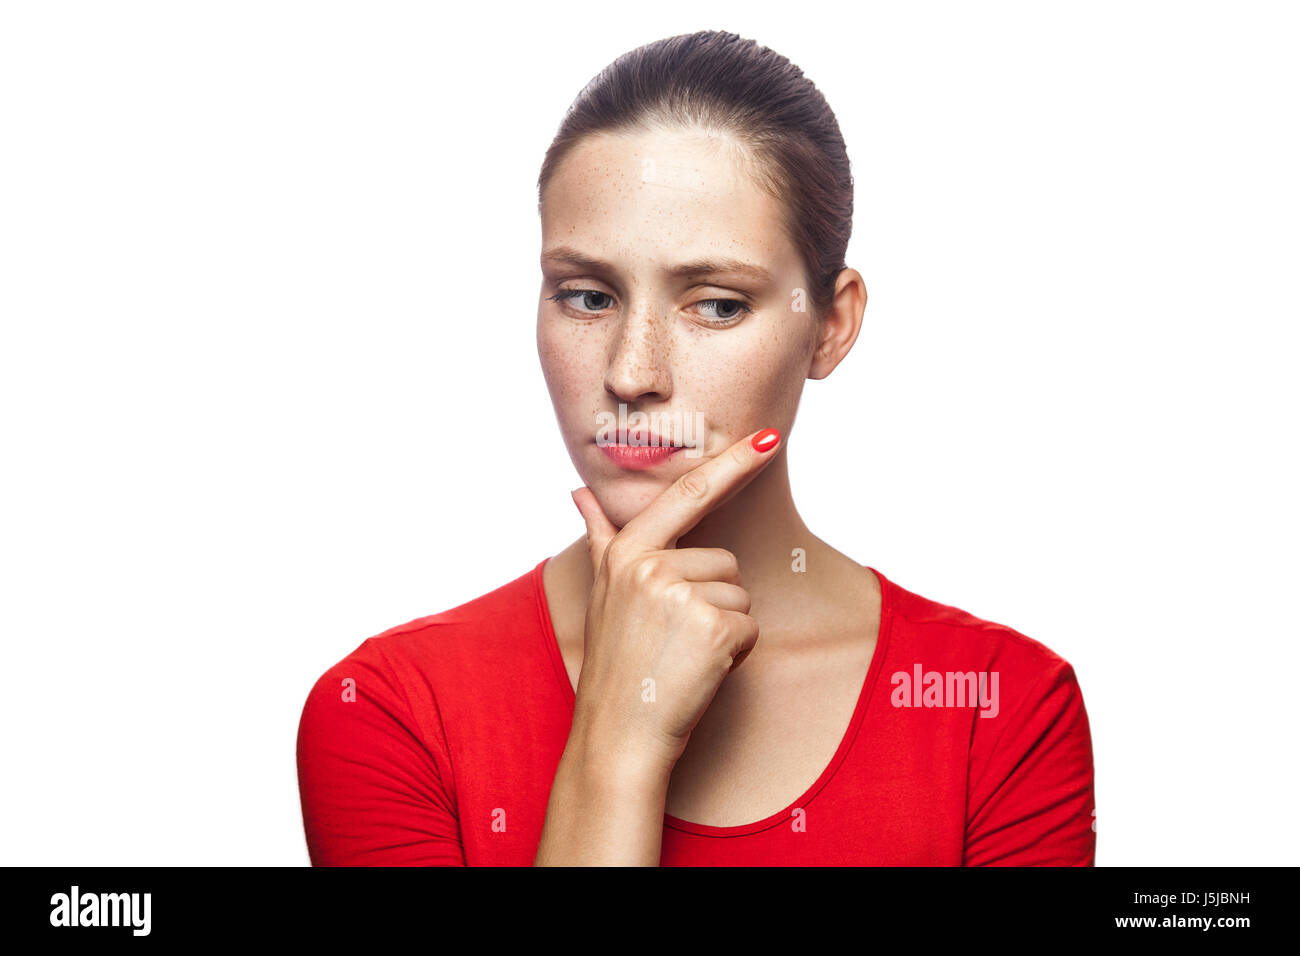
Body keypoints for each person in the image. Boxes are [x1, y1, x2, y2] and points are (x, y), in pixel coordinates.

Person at [295, 29, 1096, 866]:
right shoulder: (388, 712)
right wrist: (619, 738)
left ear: (830, 325)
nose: (632, 374)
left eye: (716, 305)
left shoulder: (998, 708)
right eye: (588, 295)